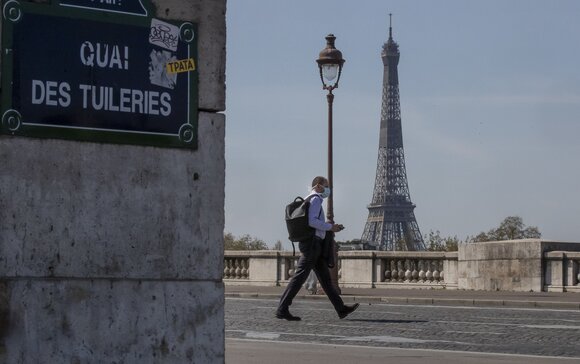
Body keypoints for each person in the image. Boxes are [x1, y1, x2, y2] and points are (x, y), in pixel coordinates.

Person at [276, 176, 359, 321]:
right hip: (312, 245)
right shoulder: (315, 199)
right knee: (299, 277)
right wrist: (330, 227)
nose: (328, 190)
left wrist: (330, 227)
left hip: (313, 244)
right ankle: (282, 308)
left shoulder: (309, 199)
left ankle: (341, 308)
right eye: (326, 186)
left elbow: (312, 222)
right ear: (319, 186)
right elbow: (312, 221)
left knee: (325, 280)